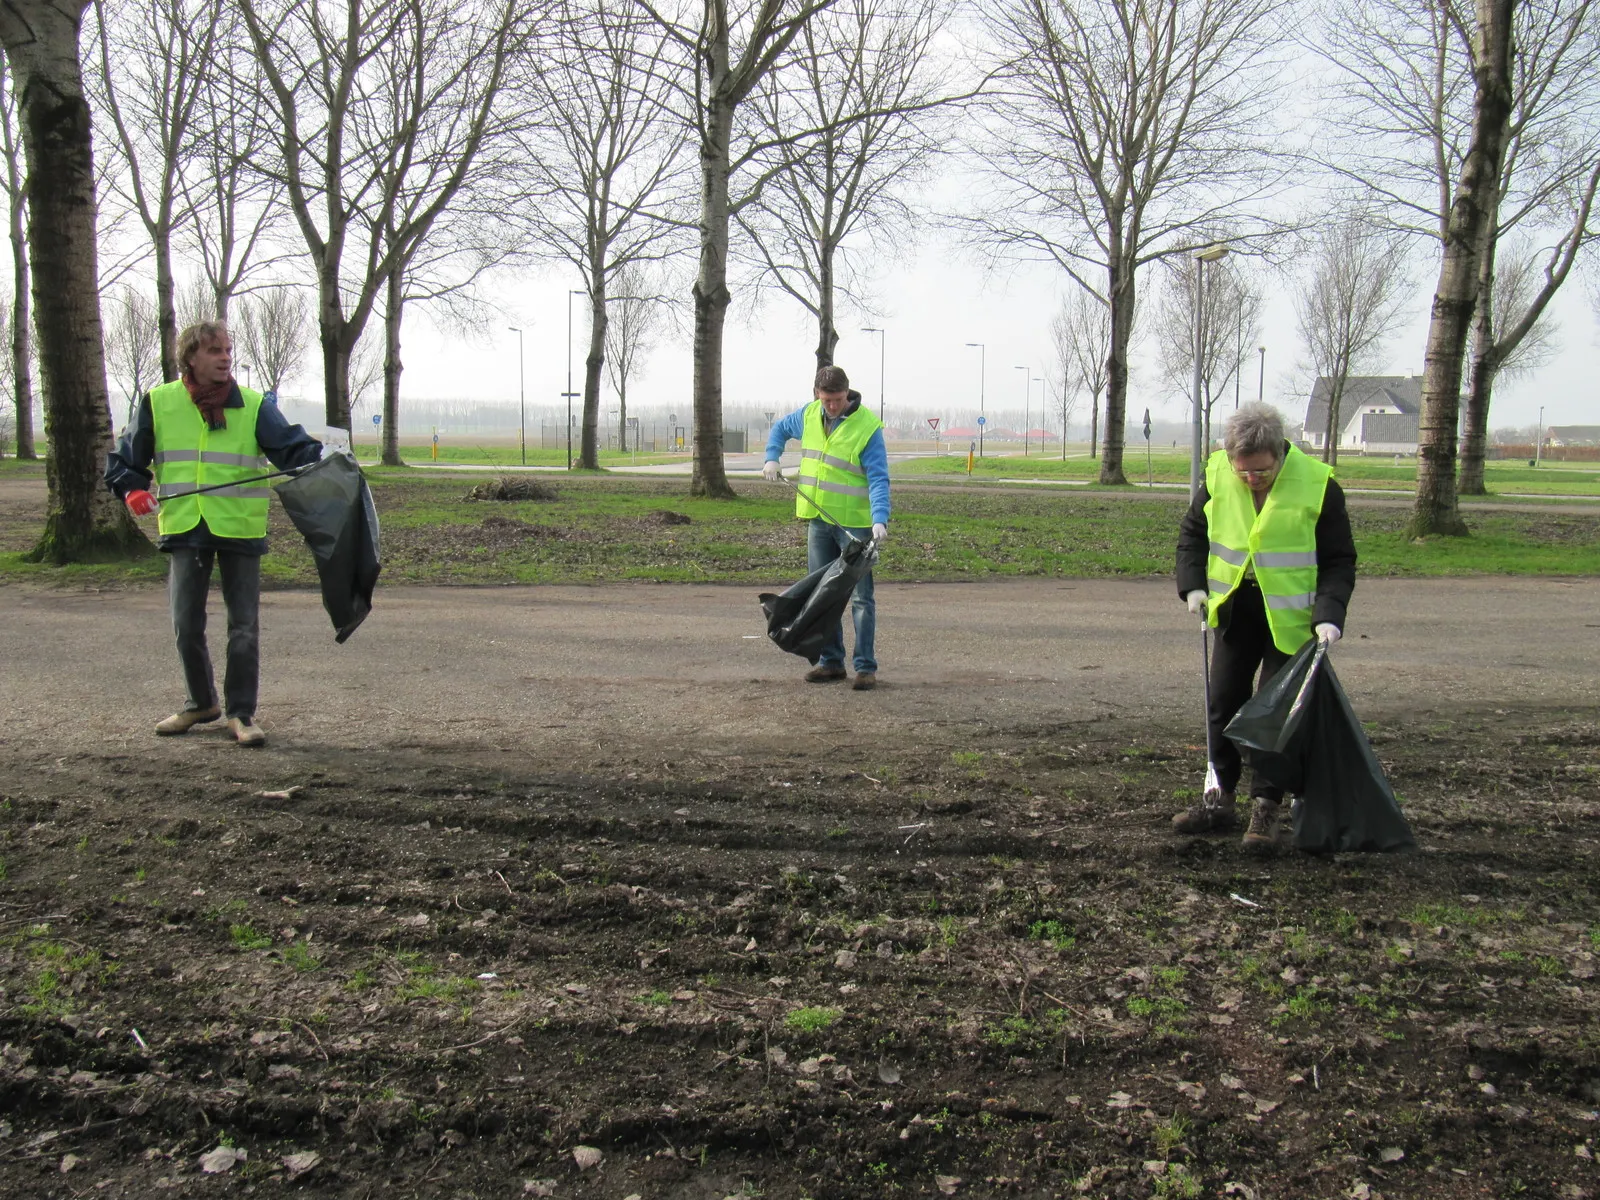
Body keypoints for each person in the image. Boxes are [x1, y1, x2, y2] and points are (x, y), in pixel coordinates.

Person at [105, 321, 323, 747]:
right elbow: (126, 458)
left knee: (243, 626)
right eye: (214, 351)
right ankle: (200, 704)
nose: (225, 358)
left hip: (240, 528)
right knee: (186, 624)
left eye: (227, 350)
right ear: (190, 357)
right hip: (186, 525)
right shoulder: (159, 402)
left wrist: (327, 455)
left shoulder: (256, 405)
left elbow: (292, 450)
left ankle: (241, 714)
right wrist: (131, 489)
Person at [1173, 402, 1356, 846]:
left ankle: (1266, 808)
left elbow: (1338, 558)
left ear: (1279, 453)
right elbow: (1193, 535)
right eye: (1244, 472)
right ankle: (1219, 798)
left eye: (1260, 472)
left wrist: (1330, 614)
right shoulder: (1217, 473)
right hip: (1236, 609)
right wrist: (1192, 585)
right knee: (1222, 702)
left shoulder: (1318, 485)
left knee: (1273, 715)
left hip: (1292, 620)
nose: (1251, 479)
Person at [763, 365, 890, 690]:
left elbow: (878, 477)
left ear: (847, 393)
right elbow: (778, 430)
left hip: (856, 526)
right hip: (818, 521)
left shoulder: (867, 427)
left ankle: (865, 668)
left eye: (836, 400)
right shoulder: (808, 415)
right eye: (826, 400)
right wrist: (772, 457)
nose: (831, 406)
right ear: (817, 395)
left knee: (862, 598)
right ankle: (832, 663)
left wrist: (880, 518)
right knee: (822, 597)